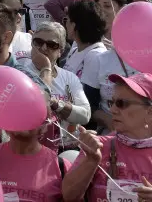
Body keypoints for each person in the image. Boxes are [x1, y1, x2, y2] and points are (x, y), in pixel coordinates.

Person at [62, 73, 152, 202]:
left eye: (122, 103)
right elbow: (69, 196)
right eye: (112, 102)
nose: (113, 110)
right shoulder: (98, 146)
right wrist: (91, 160)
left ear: (150, 112)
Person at [0, 73, 70, 201]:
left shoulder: (61, 167)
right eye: (16, 110)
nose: (22, 118)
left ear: (45, 123)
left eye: (31, 111)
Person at [19, 21, 90, 146]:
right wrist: (45, 68)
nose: (43, 48)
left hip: (66, 146)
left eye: (51, 45)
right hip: (32, 146)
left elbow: (85, 115)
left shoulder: (69, 77)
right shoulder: (20, 75)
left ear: (61, 52)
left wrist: (57, 105)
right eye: (38, 42)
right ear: (32, 43)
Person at [62, 0, 107, 79]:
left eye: (67, 20)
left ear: (74, 25)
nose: (65, 24)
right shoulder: (74, 51)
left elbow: (87, 90)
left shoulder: (96, 55)